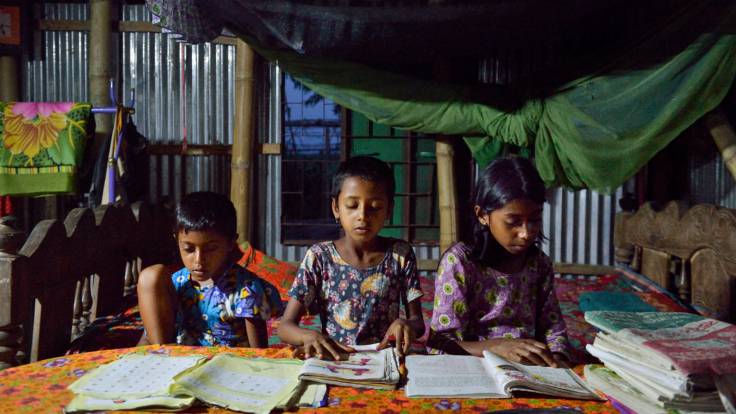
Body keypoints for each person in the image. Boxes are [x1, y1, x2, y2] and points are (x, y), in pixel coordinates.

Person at [427, 157, 571, 367]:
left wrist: (557, 363)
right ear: (483, 215)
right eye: (513, 222)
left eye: (535, 219)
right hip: (474, 366)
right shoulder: (459, 262)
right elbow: (440, 342)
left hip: (527, 370)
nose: (525, 233)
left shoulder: (538, 264)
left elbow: (553, 329)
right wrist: (496, 347)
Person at [278, 156, 424, 360]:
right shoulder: (320, 257)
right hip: (336, 358)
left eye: (374, 207)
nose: (362, 215)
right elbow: (285, 326)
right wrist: (308, 335)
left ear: (389, 209)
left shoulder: (400, 254)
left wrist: (406, 324)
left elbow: (418, 321)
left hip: (384, 359)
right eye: (352, 205)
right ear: (336, 208)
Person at [137, 191, 283, 347]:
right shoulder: (175, 284)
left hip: (226, 366)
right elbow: (146, 340)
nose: (199, 260)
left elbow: (259, 354)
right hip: (176, 361)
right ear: (177, 240)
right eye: (189, 249)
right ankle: (162, 358)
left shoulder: (246, 289)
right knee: (150, 276)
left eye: (210, 249)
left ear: (230, 243)